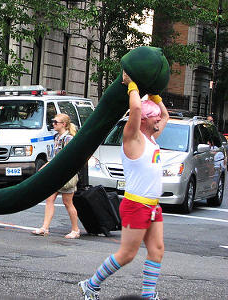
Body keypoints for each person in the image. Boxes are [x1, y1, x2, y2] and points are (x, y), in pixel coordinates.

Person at [78, 71, 169, 300]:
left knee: (157, 251)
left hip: (152, 207)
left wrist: (155, 94)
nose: (159, 119)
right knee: (127, 254)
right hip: (136, 205)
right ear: (145, 120)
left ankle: (148, 296)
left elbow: (165, 115)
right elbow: (136, 109)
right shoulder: (133, 137)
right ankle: (90, 285)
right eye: (154, 117)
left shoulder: (151, 138)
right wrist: (133, 85)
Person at [31, 113, 80, 239]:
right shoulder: (56, 137)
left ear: (63, 124)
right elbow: (54, 157)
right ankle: (44, 228)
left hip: (66, 174)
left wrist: (49, 165)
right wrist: (47, 165)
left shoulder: (68, 138)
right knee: (49, 199)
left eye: (55, 122)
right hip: (56, 174)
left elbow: (68, 158)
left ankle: (75, 229)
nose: (53, 124)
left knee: (68, 202)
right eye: (53, 121)